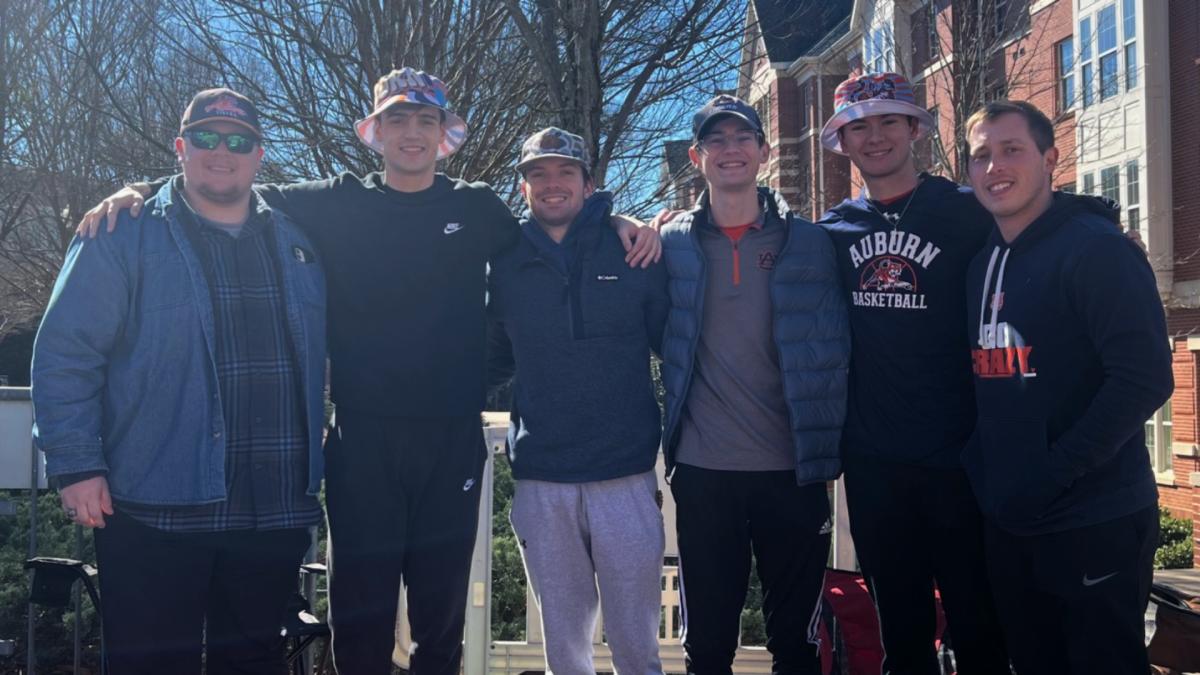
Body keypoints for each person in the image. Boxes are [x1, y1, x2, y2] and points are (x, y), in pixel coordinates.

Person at [74, 68, 659, 675]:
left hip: (451, 442)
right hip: (361, 441)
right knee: (360, 617)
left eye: (425, 120)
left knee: (441, 619)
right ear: (374, 133)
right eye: (397, 120)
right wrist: (141, 189)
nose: (411, 133)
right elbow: (222, 184)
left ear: (443, 135)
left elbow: (550, 242)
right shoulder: (333, 202)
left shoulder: (478, 209)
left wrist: (615, 224)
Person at [32, 88, 326, 673]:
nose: (223, 151)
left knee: (251, 664)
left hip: (272, 509)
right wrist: (75, 464)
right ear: (180, 148)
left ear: (259, 153)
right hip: (152, 503)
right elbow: (67, 352)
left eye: (238, 140)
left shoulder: (299, 242)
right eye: (206, 137)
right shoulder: (122, 234)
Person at [964, 99, 1172, 674]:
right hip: (1012, 520)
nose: (994, 167)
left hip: (1094, 518)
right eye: (981, 155)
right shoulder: (984, 260)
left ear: (1051, 158)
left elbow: (1145, 378)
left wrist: (1054, 474)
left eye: (1012, 150)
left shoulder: (1096, 250)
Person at [814, 73, 1009, 674]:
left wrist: (1104, 223)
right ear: (842, 141)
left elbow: (1039, 218)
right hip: (874, 463)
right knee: (900, 629)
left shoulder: (966, 211)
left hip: (960, 457)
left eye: (888, 122)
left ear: (914, 130)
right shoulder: (832, 231)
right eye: (859, 127)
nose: (874, 138)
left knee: (979, 622)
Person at [658, 94, 849, 675]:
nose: (730, 150)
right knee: (707, 646)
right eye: (716, 140)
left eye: (742, 138)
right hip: (704, 470)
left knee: (796, 643)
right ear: (697, 157)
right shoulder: (668, 246)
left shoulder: (815, 244)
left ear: (764, 152)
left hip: (793, 470)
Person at [487, 127, 669, 674]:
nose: (552, 184)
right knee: (564, 651)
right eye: (537, 174)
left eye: (566, 171)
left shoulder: (633, 248)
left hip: (626, 476)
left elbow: (677, 346)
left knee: (637, 647)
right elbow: (489, 361)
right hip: (543, 478)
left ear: (589, 183)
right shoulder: (504, 262)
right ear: (523, 189)